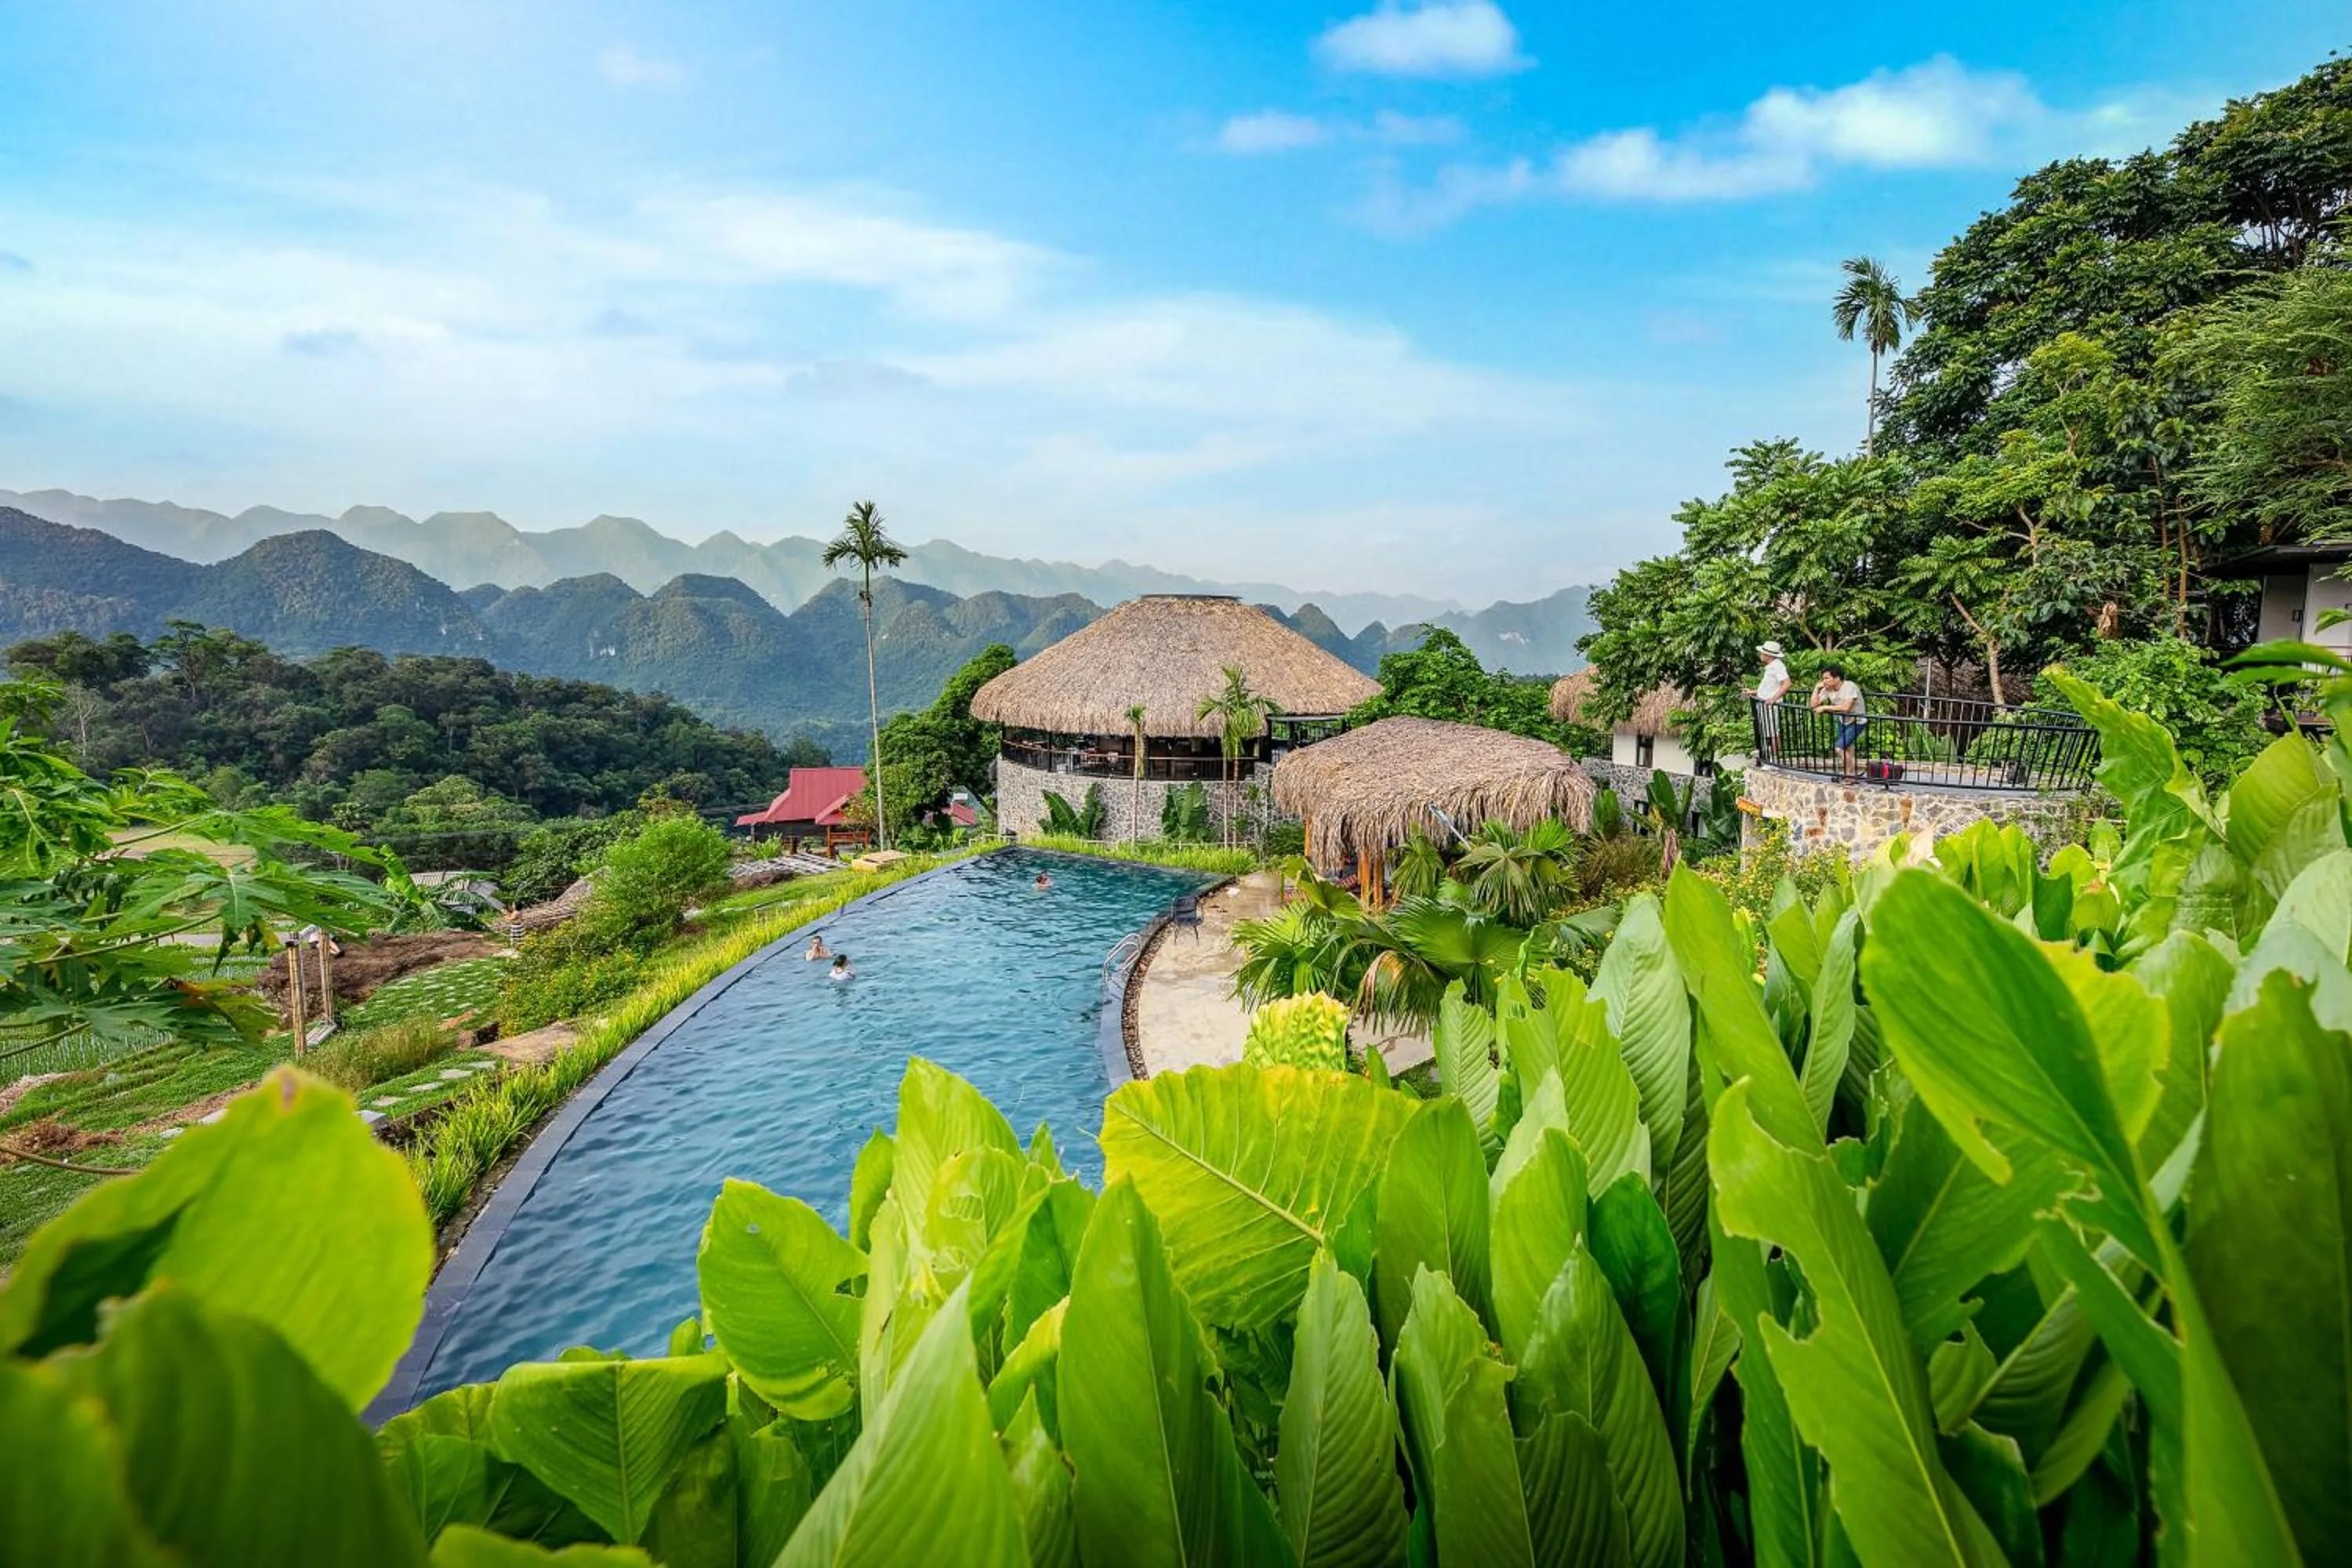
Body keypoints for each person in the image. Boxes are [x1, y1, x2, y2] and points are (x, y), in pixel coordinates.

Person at [1809, 662, 1867, 779]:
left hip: (1857, 721)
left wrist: (1825, 707)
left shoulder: (1850, 686)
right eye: (1823, 678)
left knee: (1839, 748)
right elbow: (1814, 705)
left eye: (1827, 678)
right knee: (1848, 748)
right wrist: (1816, 689)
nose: (1824, 681)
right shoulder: (1827, 689)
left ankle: (1850, 776)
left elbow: (1846, 708)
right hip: (1843, 720)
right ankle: (1849, 775)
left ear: (1837, 678)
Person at [1753, 641, 1791, 760]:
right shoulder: (1772, 667)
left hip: (1770, 704)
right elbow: (1771, 686)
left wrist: (1773, 699)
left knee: (1772, 731)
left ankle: (1775, 758)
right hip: (1765, 703)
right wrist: (1754, 692)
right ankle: (1770, 756)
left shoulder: (1777, 666)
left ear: (1768, 655)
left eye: (1762, 653)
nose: (1760, 655)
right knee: (1767, 730)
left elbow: (1787, 683)